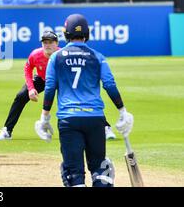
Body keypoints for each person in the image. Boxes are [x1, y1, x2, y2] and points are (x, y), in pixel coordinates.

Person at [34, 14, 134, 187]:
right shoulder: (97, 56)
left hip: (68, 120)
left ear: (65, 34)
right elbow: (109, 84)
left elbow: (50, 88)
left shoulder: (56, 58)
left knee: (73, 174)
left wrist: (45, 117)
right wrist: (122, 111)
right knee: (99, 169)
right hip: (95, 120)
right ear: (87, 34)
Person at [0, 30, 116, 141]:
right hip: (43, 79)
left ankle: (105, 127)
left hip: (62, 80)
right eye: (45, 42)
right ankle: (7, 131)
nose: (47, 45)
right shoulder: (35, 54)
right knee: (20, 96)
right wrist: (31, 89)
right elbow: (28, 69)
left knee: (82, 97)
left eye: (50, 42)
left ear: (56, 43)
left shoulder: (63, 54)